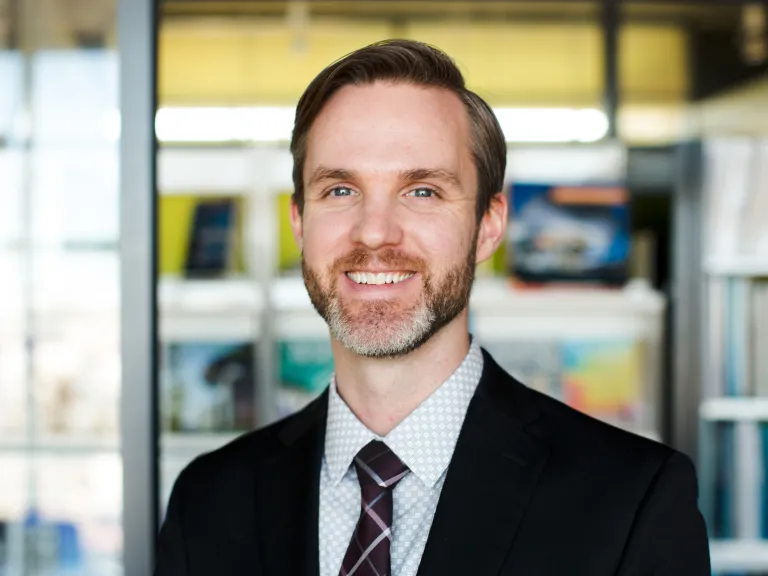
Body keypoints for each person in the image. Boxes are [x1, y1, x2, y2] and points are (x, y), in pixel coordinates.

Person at [155, 39, 710, 576]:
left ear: (488, 225)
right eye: (340, 190)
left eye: (422, 191)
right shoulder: (208, 501)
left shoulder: (630, 501)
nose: (374, 232)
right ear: (300, 222)